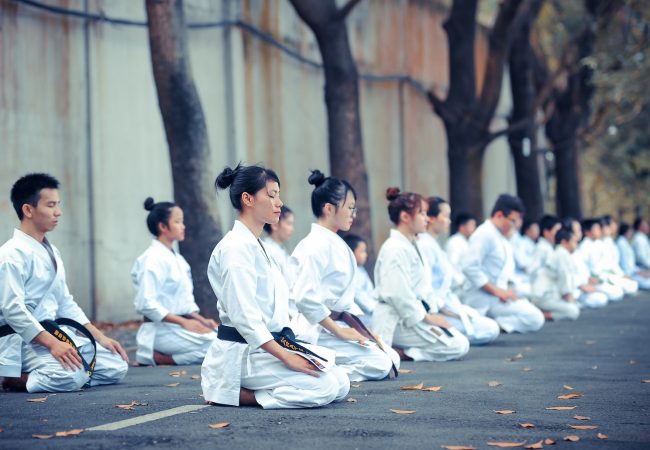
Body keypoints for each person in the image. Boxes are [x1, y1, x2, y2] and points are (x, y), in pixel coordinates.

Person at [201, 164, 349, 409]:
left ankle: (256, 386)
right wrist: (286, 357)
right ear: (247, 199)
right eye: (271, 195)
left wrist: (291, 349)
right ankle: (235, 393)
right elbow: (245, 318)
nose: (279, 202)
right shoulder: (235, 249)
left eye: (278, 195)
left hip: (268, 347)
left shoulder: (257, 246)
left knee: (341, 382)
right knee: (325, 387)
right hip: (245, 352)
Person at [0, 173, 128, 393]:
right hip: (23, 339)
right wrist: (53, 344)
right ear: (28, 210)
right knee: (72, 376)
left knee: (116, 366)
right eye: (50, 205)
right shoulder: (11, 254)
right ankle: (16, 379)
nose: (58, 212)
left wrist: (101, 337)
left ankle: (60, 375)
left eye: (58, 205)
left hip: (52, 333)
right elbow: (13, 310)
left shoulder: (51, 251)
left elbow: (66, 303)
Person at [290, 170, 399, 382]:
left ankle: (329, 368)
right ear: (329, 208)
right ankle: (323, 374)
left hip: (337, 324)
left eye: (354, 208)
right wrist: (340, 333)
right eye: (350, 207)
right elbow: (305, 298)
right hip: (318, 329)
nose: (353, 213)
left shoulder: (335, 243)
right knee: (382, 363)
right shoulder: (314, 246)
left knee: (392, 357)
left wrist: (361, 330)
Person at [373, 189, 470, 362]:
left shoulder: (411, 244)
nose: (427, 219)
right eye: (422, 213)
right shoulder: (394, 249)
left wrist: (431, 314)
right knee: (458, 345)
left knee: (460, 341)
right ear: (405, 217)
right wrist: (427, 317)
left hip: (412, 315)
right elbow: (398, 295)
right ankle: (403, 353)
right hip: (397, 320)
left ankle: (403, 351)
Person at [131, 197, 217, 366]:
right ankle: (160, 357)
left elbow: (183, 303)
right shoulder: (151, 260)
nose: (183, 226)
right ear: (163, 226)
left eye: (182, 221)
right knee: (218, 346)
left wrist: (200, 320)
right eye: (178, 222)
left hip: (177, 328)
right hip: (160, 330)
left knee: (226, 339)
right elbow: (146, 304)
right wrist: (184, 322)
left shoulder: (178, 260)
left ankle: (162, 356)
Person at [418, 196, 499, 345]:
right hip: (435, 308)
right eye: (446, 216)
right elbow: (426, 288)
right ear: (432, 218)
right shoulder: (425, 245)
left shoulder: (433, 244)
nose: (449, 221)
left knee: (489, 327)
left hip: (447, 301)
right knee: (488, 329)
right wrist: (443, 311)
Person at [460, 194, 545, 333]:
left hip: (497, 298)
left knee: (534, 315)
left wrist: (505, 291)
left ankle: (493, 325)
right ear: (499, 215)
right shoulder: (485, 234)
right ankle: (489, 324)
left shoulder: (499, 236)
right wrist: (498, 291)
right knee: (535, 317)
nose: (514, 225)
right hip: (483, 299)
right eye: (512, 220)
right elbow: (469, 267)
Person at [529, 228, 580, 321]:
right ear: (564, 242)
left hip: (548, 295)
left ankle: (538, 312)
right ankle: (542, 315)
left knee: (574, 306)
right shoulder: (562, 254)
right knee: (573, 311)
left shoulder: (560, 253)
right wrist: (569, 299)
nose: (576, 245)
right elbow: (565, 279)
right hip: (543, 296)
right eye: (574, 241)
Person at [577, 219, 628, 300]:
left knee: (621, 290)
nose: (599, 231)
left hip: (603, 277)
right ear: (588, 232)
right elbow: (583, 267)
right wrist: (589, 278)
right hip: (593, 279)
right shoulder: (584, 247)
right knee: (616, 293)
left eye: (599, 229)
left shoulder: (599, 243)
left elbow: (609, 264)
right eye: (596, 229)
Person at [563, 218, 609, 308]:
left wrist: (590, 279)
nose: (580, 232)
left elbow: (584, 270)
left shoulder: (576, 250)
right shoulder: (567, 252)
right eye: (578, 230)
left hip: (588, 283)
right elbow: (570, 275)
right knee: (602, 298)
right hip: (577, 289)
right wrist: (582, 286)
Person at [342, 234, 378, 328]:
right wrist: (376, 309)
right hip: (362, 318)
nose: (365, 255)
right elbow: (359, 296)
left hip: (372, 313)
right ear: (351, 253)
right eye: (362, 251)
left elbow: (370, 292)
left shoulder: (361, 269)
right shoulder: (350, 273)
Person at [262, 205, 295, 278]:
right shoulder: (270, 251)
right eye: (289, 224)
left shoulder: (279, 249)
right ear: (275, 225)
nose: (292, 229)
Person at [617, 222, 650, 290]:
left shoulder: (625, 242)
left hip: (633, 272)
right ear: (626, 232)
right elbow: (625, 265)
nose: (632, 234)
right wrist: (638, 273)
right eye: (630, 232)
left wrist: (640, 271)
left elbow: (630, 264)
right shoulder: (621, 244)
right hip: (629, 274)